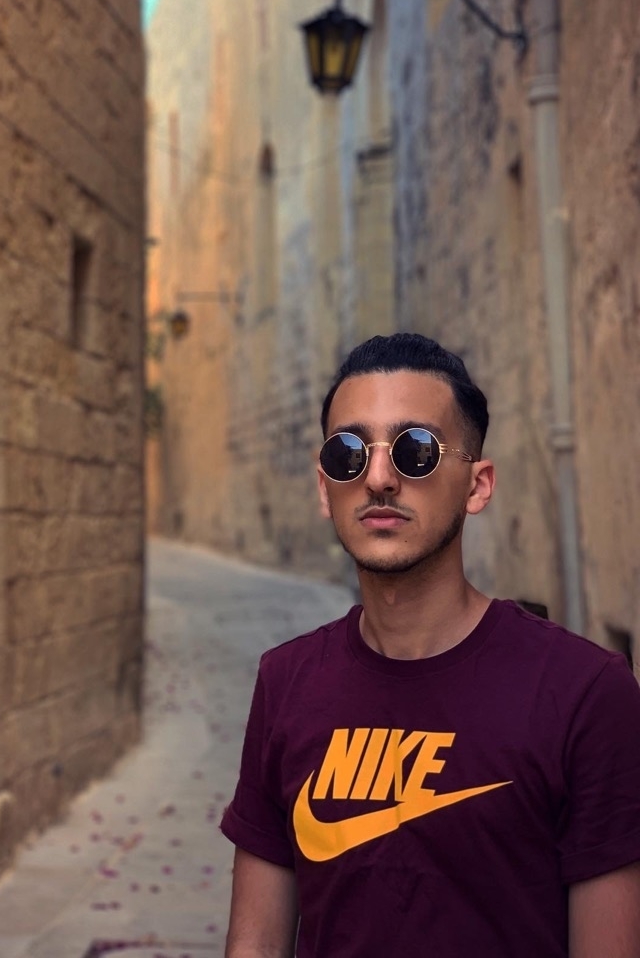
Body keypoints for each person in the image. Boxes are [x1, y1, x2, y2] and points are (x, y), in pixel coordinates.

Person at [221, 333, 640, 957]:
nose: (379, 478)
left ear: (477, 485)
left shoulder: (585, 692)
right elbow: (255, 944)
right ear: (324, 487)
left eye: (414, 450)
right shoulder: (286, 681)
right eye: (348, 453)